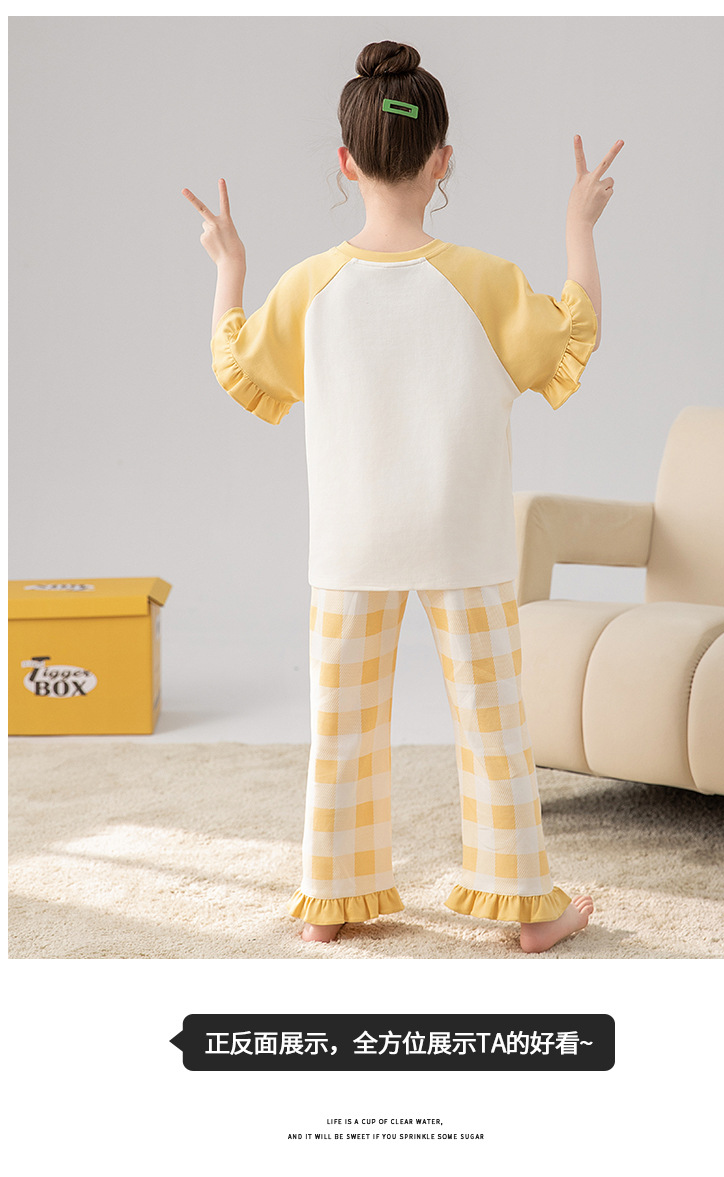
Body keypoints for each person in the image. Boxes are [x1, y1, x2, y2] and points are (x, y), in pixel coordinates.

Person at [183, 39, 623, 953]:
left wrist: (229, 263)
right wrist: (580, 225)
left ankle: (332, 901)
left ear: (347, 163)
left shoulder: (309, 287)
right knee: (493, 727)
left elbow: (239, 361)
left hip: (351, 544)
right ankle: (529, 909)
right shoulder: (487, 281)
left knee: (340, 730)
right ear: (442, 160)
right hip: (465, 541)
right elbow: (569, 332)